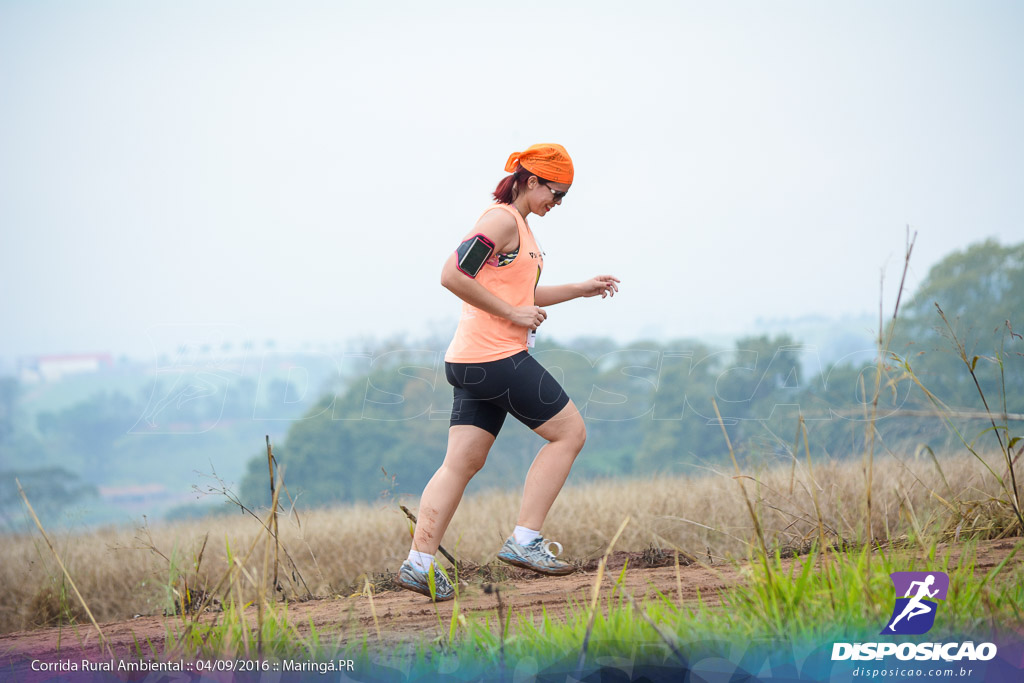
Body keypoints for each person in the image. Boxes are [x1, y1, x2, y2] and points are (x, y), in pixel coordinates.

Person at [395, 143, 620, 601]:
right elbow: (452, 274)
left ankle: (419, 563)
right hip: (493, 357)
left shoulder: (521, 228)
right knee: (570, 433)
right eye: (555, 193)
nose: (556, 204)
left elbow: (523, 295)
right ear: (531, 181)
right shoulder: (500, 220)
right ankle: (525, 540)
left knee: (462, 463)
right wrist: (513, 317)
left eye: (564, 198)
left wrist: (580, 289)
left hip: (470, 362)